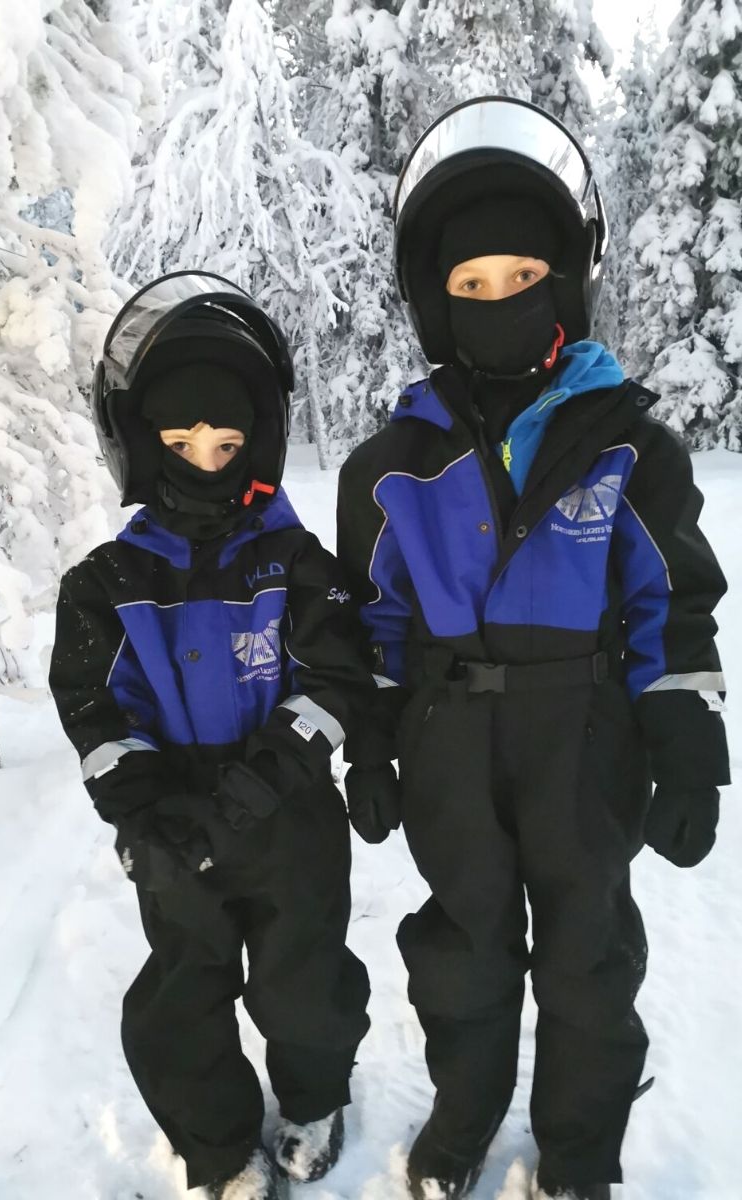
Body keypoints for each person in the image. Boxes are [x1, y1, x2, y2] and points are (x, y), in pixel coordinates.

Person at [337, 98, 729, 1200]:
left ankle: (577, 1149)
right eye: (469, 286)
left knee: (586, 955)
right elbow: (372, 622)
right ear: (433, 301)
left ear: (562, 278)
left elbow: (672, 600)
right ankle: (462, 1118)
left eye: (519, 276)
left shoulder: (626, 444)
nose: (498, 301)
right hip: (449, 735)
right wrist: (371, 741)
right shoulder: (389, 465)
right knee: (461, 951)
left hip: (583, 732)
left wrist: (687, 729)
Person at [49, 272, 371, 1200]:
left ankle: (312, 1097)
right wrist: (144, 809)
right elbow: (93, 707)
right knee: (181, 995)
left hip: (288, 815)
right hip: (172, 824)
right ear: (141, 444)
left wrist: (260, 784)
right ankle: (219, 1142)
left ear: (258, 443)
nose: (204, 458)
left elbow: (334, 680)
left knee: (303, 982)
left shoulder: (296, 564)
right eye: (180, 440)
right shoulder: (105, 582)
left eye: (227, 441)